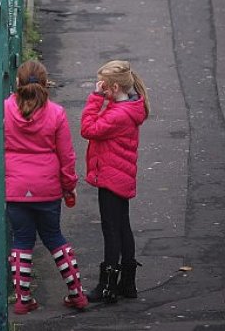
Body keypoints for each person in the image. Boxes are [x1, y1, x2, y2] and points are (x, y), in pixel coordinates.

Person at [0, 60, 88, 314]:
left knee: (22, 241)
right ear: (45, 82)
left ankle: (22, 300)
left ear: (17, 83)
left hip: (15, 187)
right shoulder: (56, 113)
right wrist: (68, 185)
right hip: (47, 187)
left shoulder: (1, 109)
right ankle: (77, 293)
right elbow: (67, 155)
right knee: (55, 237)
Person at [80, 60, 150, 304]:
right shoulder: (128, 106)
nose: (100, 89)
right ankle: (128, 283)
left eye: (104, 86)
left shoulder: (118, 114)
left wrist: (95, 98)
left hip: (111, 175)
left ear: (114, 88)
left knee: (111, 230)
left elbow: (88, 128)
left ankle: (107, 285)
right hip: (120, 174)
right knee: (122, 227)